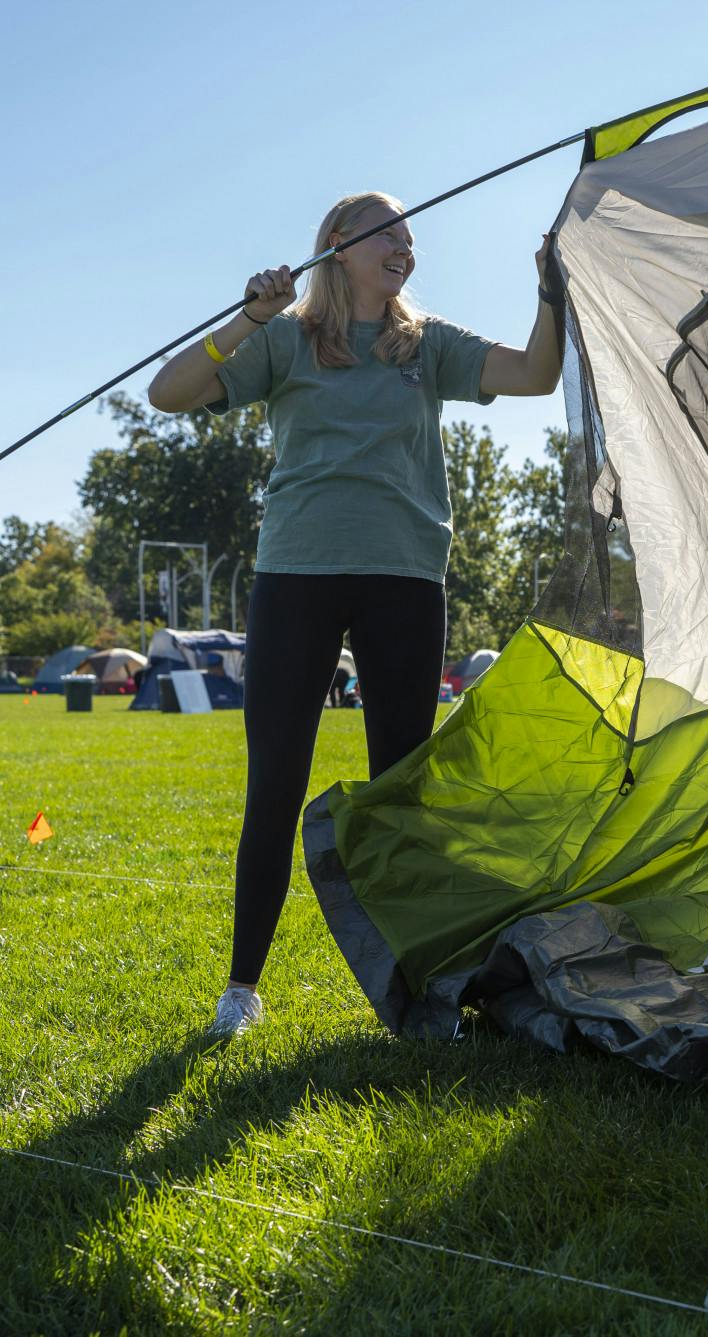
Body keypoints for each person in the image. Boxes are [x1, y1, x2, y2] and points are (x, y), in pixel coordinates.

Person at [147, 192, 563, 1037]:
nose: (406, 248)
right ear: (337, 248)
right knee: (274, 785)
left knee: (403, 790)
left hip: (406, 580)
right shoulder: (286, 337)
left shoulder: (427, 344)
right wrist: (245, 317)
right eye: (388, 235)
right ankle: (241, 988)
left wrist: (553, 288)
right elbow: (168, 393)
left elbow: (535, 374)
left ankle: (423, 988)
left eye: (412, 239)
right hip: (297, 577)